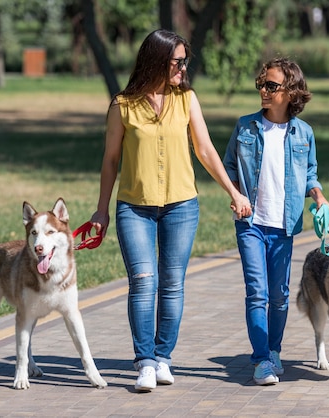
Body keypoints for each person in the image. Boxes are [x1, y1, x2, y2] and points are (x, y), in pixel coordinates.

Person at [90, 29, 252, 392]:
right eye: (177, 61)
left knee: (173, 284)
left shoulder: (186, 99)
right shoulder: (123, 105)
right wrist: (101, 211)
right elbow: (110, 161)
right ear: (156, 61)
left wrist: (233, 192)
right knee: (144, 282)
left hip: (181, 205)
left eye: (184, 61)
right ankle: (144, 361)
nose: (183, 68)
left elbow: (206, 150)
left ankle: (163, 357)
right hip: (135, 207)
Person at [223, 58, 329, 385]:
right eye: (261, 84)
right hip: (250, 223)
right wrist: (235, 193)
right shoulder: (245, 127)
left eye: (271, 86)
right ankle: (261, 362)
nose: (264, 91)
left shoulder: (304, 133)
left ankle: (273, 350)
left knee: (280, 294)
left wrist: (319, 197)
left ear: (291, 91)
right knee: (257, 292)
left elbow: (310, 172)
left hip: (284, 225)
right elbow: (228, 166)